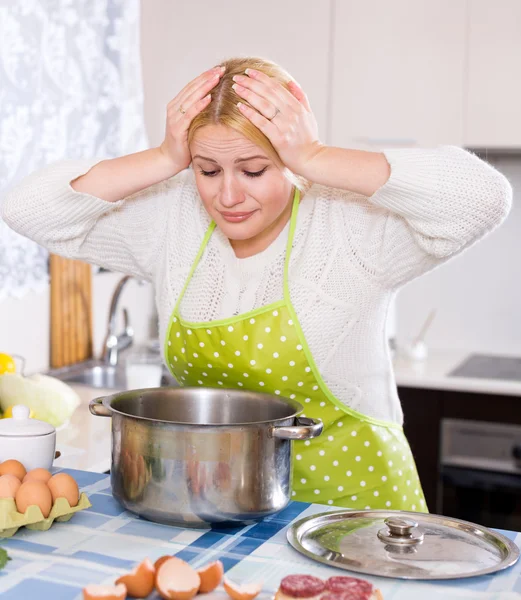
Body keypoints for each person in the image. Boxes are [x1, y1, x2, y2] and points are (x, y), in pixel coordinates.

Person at [2, 57, 512, 511]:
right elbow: (27, 208)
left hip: (356, 516)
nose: (228, 195)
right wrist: (162, 158)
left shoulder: (348, 222)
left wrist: (315, 156)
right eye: (207, 169)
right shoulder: (172, 221)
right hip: (216, 508)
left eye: (253, 169)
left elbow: (482, 197)